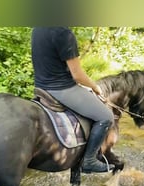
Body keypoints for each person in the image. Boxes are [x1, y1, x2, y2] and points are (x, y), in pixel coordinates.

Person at [31, 27, 114, 173]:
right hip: (62, 89)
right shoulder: (63, 33)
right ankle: (89, 160)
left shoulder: (38, 28)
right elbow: (77, 75)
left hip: (41, 87)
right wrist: (95, 88)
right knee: (106, 116)